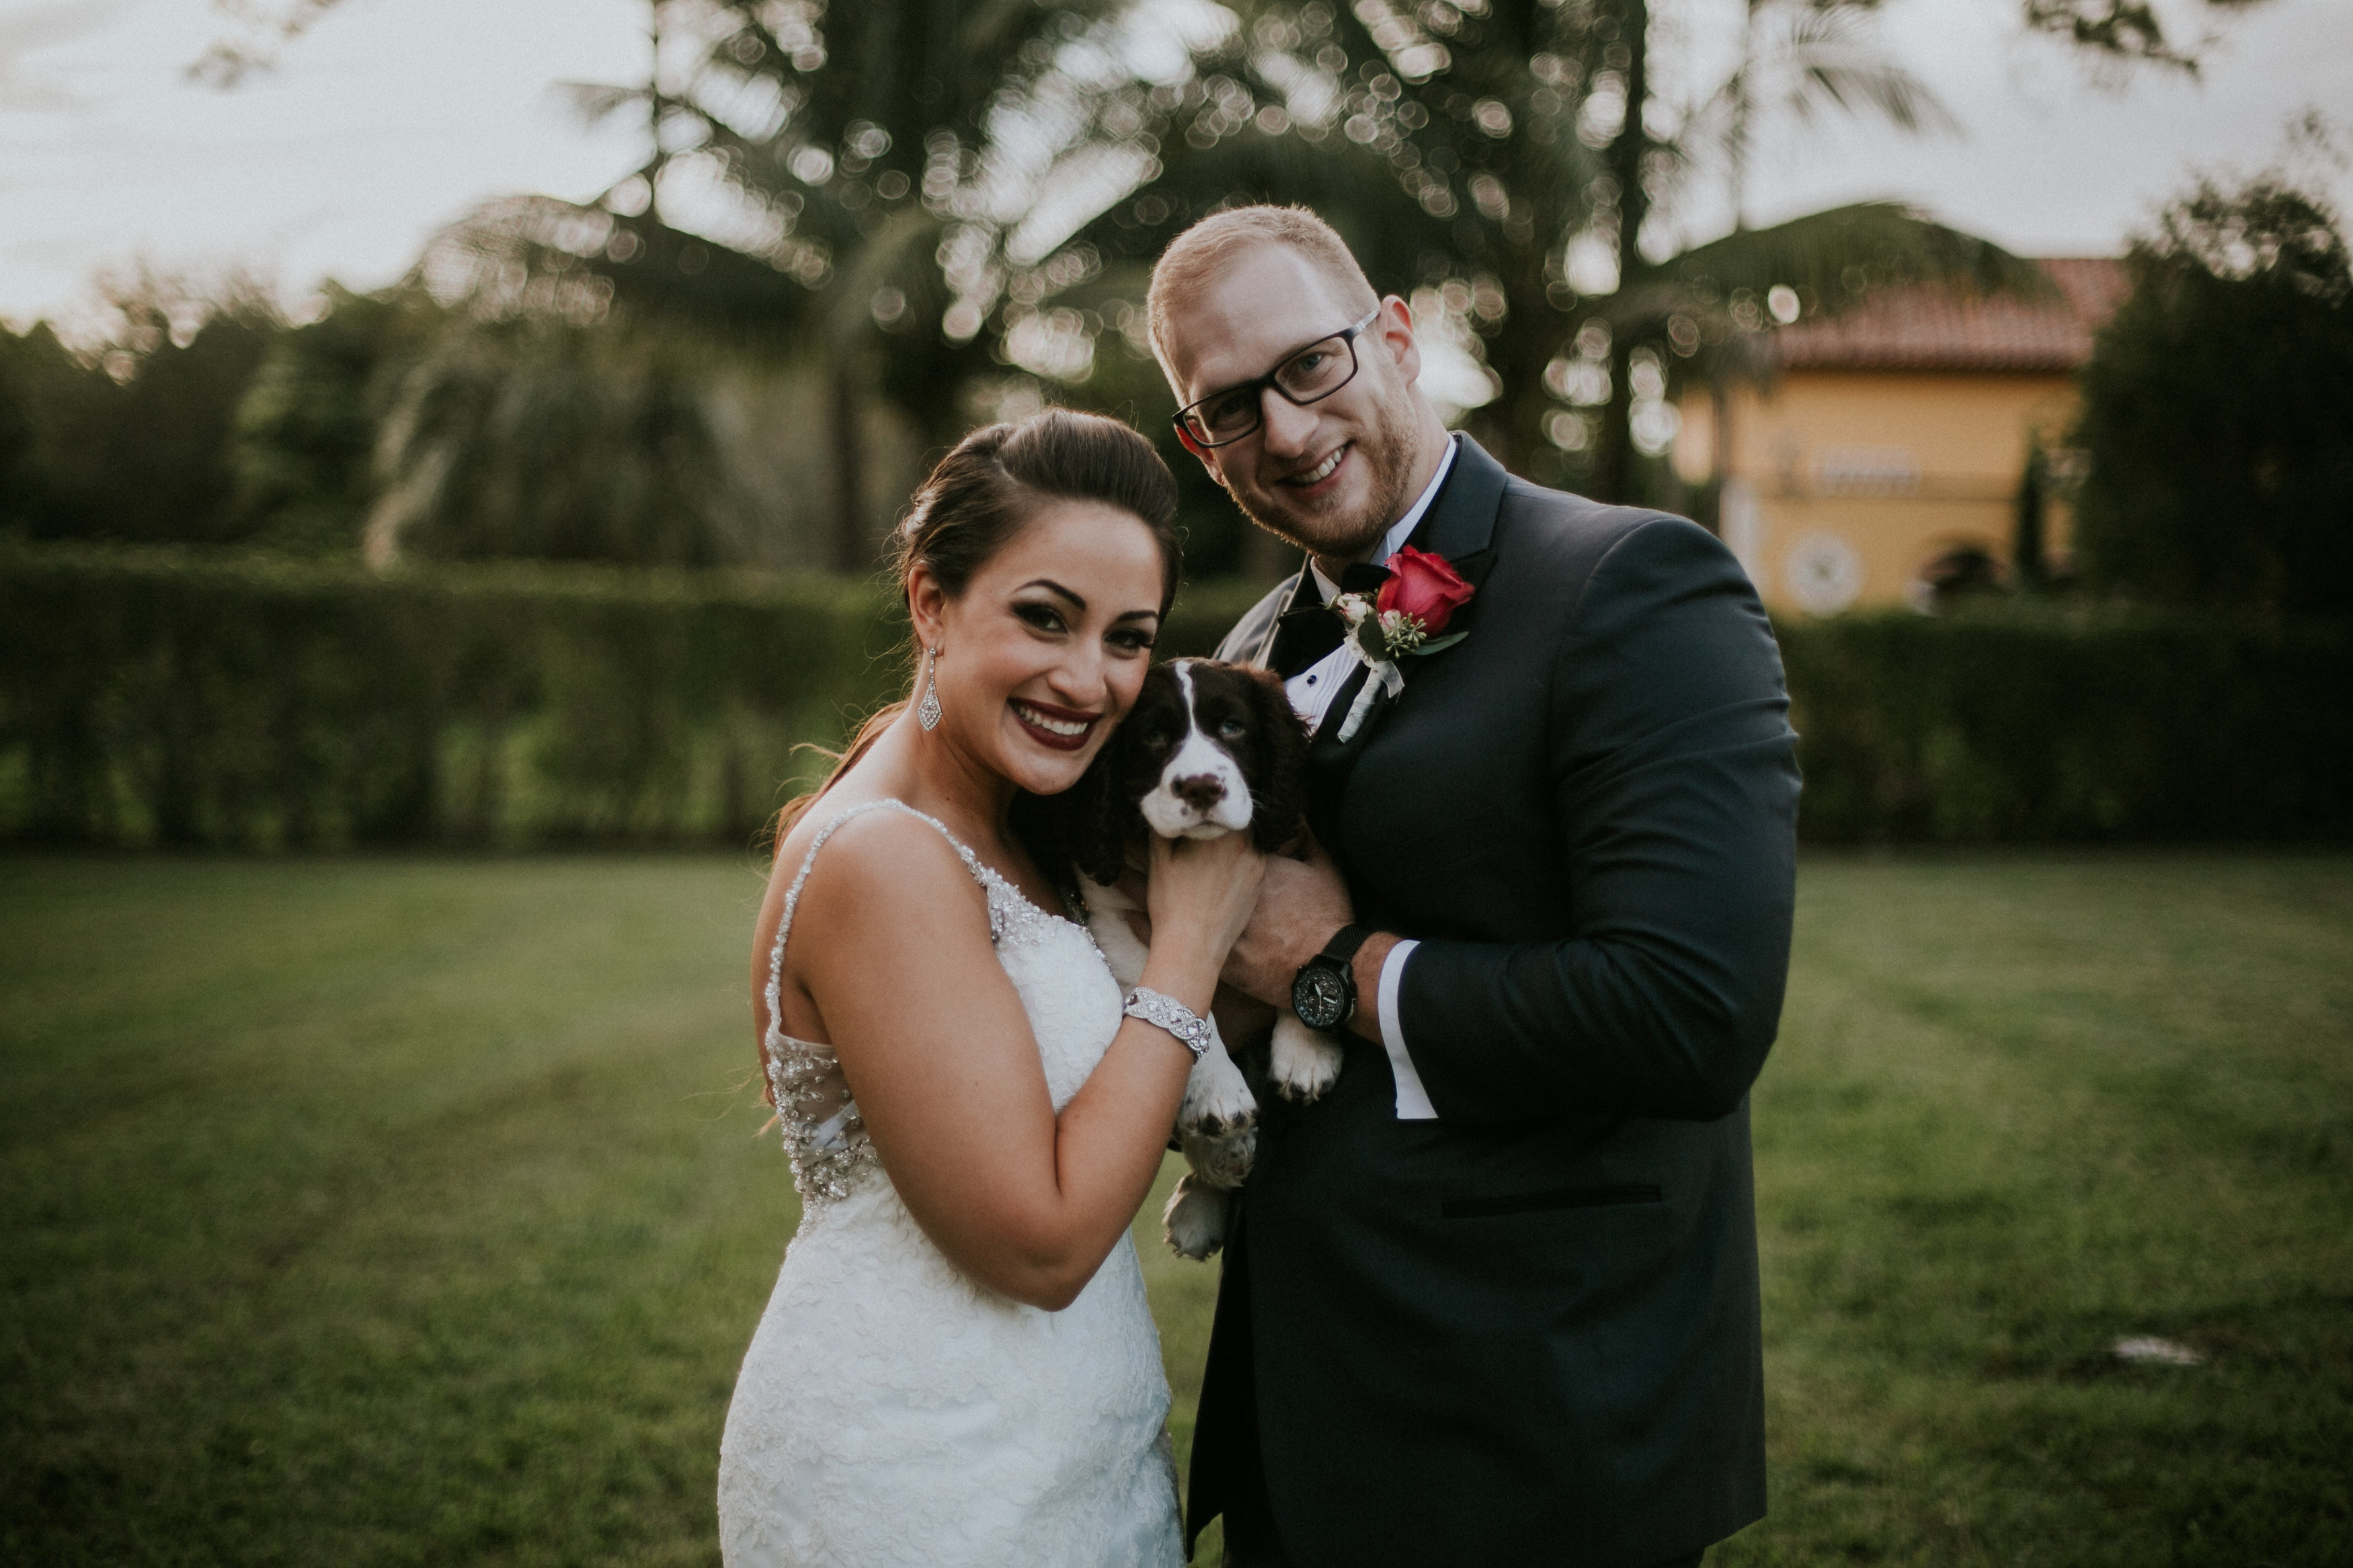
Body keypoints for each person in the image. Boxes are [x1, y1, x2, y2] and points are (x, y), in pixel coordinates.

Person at [1146, 207, 1802, 1566]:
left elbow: (1691, 1015)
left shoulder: (1632, 585)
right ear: (1199, 445)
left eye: (1309, 364)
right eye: (1229, 409)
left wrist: (1334, 973)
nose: (1285, 431)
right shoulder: (1255, 644)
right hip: (1307, 1403)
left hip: (1533, 1411)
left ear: (1395, 335)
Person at [717, 409, 1265, 1568]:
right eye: (1044, 617)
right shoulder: (884, 858)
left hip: (1067, 1452)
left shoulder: (1016, 827)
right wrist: (1189, 950)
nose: (1088, 679)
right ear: (931, 602)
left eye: (1127, 637)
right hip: (925, 1472)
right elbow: (1041, 1247)